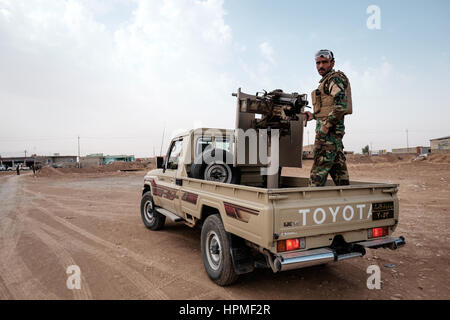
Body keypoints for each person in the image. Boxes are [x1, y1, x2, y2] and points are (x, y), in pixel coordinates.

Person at [304, 49, 352, 187]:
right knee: (342, 182)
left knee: (316, 181)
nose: (320, 66)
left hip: (327, 139)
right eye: (318, 63)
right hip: (334, 141)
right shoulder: (327, 81)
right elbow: (330, 108)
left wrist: (324, 128)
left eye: (324, 62)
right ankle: (346, 205)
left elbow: (340, 106)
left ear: (332, 63)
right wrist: (313, 116)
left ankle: (311, 206)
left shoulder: (333, 79)